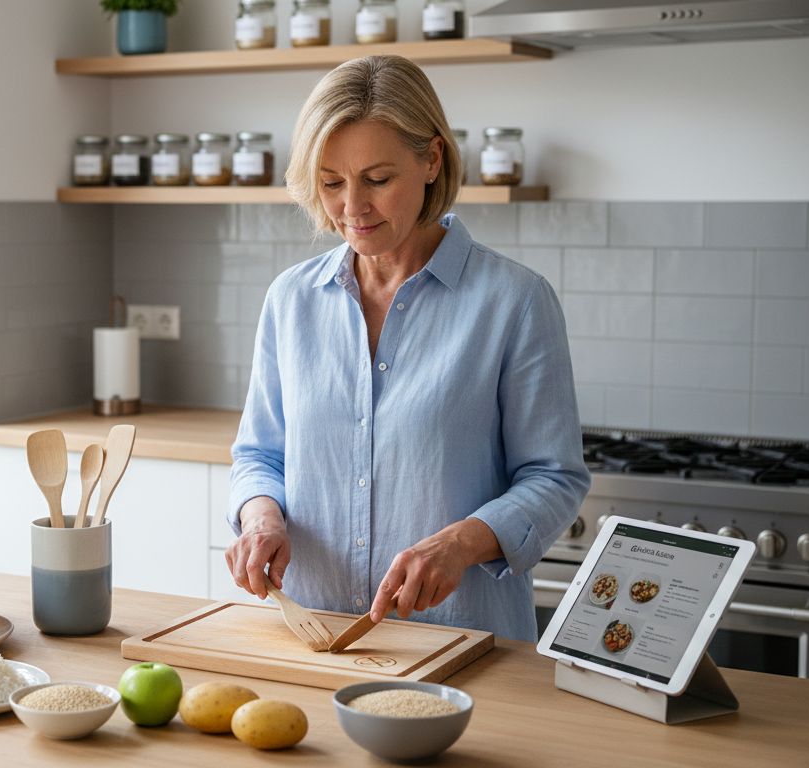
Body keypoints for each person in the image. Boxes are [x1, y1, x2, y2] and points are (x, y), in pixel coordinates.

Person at [225, 55, 590, 642]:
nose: (351, 208)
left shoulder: (515, 301)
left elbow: (554, 478)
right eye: (331, 182)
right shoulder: (291, 299)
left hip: (462, 642)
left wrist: (459, 543)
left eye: (377, 179)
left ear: (431, 159)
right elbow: (259, 456)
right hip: (317, 636)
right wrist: (262, 515)